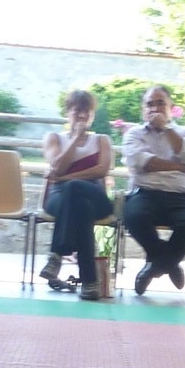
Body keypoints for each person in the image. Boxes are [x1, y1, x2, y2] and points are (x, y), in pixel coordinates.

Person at [122, 84, 185, 295]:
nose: (155, 108)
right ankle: (170, 263)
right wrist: (180, 167)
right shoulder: (134, 134)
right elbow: (143, 162)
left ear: (171, 107)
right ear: (143, 110)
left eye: (160, 103)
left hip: (182, 195)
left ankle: (154, 266)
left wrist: (167, 129)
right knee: (133, 216)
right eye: (149, 104)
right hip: (145, 192)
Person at [39, 89, 113, 301]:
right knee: (82, 209)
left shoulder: (102, 140)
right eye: (77, 111)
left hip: (95, 194)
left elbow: (101, 171)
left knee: (75, 189)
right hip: (59, 197)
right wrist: (76, 138)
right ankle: (90, 283)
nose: (82, 116)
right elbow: (57, 166)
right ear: (67, 113)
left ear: (92, 115)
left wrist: (65, 178)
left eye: (86, 111)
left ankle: (56, 255)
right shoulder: (54, 138)